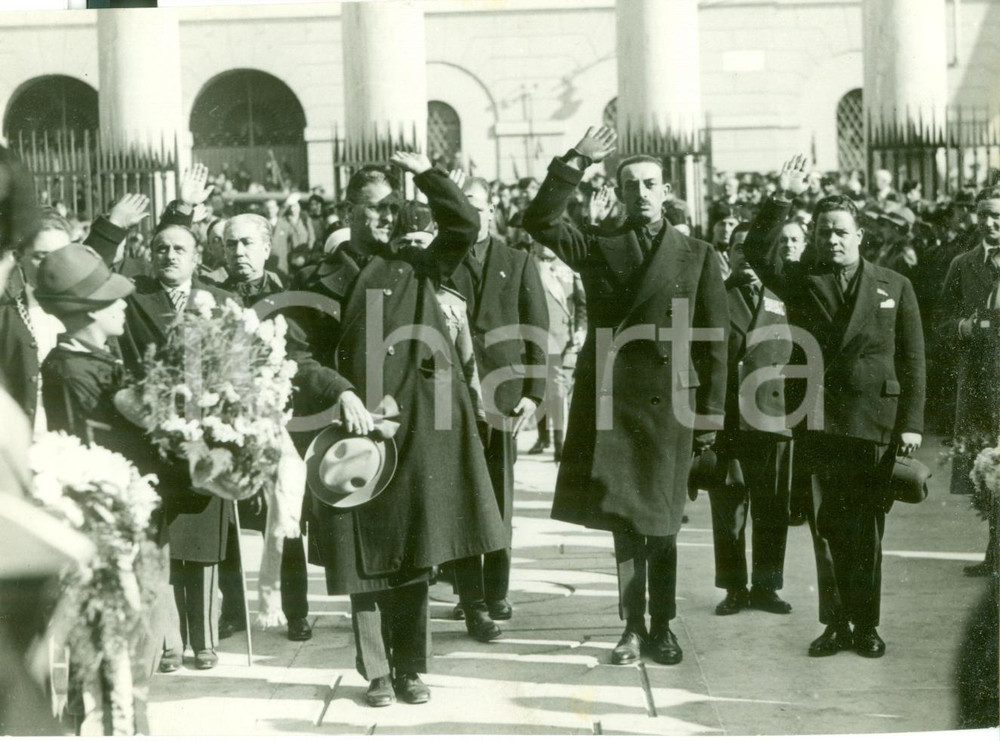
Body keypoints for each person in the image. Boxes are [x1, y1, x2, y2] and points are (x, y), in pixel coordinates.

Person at [292, 153, 507, 707]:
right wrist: (339, 391)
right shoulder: (320, 278)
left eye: (394, 207)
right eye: (374, 208)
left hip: (412, 428)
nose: (387, 218)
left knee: (414, 551)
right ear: (350, 211)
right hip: (349, 432)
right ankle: (377, 671)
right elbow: (297, 354)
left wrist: (428, 174)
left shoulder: (418, 265)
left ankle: (411, 666)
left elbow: (464, 223)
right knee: (361, 559)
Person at [523, 126, 728, 667]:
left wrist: (710, 415)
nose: (641, 192)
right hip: (614, 399)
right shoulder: (597, 247)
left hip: (671, 407)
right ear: (617, 190)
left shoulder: (697, 254)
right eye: (630, 184)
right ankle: (632, 627)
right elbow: (539, 221)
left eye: (650, 184)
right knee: (622, 522)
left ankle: (662, 625)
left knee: (661, 523)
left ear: (666, 191)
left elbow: (714, 340)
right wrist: (575, 162)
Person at [743, 154, 925, 659]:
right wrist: (782, 196)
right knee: (826, 529)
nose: (833, 240)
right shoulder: (803, 280)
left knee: (866, 529)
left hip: (876, 425)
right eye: (825, 232)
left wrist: (910, 425)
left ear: (860, 234)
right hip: (820, 424)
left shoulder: (894, 285)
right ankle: (834, 623)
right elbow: (757, 250)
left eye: (842, 231)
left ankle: (865, 625)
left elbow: (914, 362)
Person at [34, 243, 182, 731]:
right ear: (88, 312)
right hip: (106, 538)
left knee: (127, 655)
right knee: (107, 659)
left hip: (131, 525)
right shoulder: (72, 371)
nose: (124, 306)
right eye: (112, 299)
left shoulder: (96, 360)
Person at [115, 222, 238, 671]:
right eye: (161, 248)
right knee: (158, 539)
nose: (169, 255)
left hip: (207, 439)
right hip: (151, 437)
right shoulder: (131, 300)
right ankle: (167, 641)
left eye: (179, 248)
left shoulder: (224, 301)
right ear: (151, 254)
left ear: (197, 255)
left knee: (203, 541)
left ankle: (204, 640)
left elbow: (240, 367)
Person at [445, 175, 548, 640]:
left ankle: (497, 589)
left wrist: (534, 390)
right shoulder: (442, 259)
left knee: (500, 494)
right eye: (464, 206)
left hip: (505, 393)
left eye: (480, 207)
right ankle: (469, 596)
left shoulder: (518, 260)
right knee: (464, 496)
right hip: (454, 396)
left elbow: (536, 327)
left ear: (493, 212)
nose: (473, 214)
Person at [209, 212, 314, 643]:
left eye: (248, 244)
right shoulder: (212, 296)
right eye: (231, 244)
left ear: (267, 247)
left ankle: (296, 610)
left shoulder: (290, 294)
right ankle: (233, 609)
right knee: (228, 516)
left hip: (277, 418)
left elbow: (304, 355)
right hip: (227, 419)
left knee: (284, 512)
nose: (239, 253)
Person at [708, 223, 793, 616]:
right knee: (729, 509)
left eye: (753, 248)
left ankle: (766, 586)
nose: (747, 255)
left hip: (774, 417)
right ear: (728, 253)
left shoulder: (783, 296)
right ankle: (733, 587)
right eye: (738, 248)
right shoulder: (712, 298)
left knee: (772, 505)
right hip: (728, 418)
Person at [937, 186, 1000, 577]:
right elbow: (941, 318)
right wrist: (963, 326)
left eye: (997, 217)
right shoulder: (962, 264)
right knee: (988, 466)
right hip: (979, 382)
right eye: (983, 216)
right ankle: (994, 551)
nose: (990, 224)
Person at [528, 243, 586, 461]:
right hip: (534, 337)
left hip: (563, 339)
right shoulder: (527, 263)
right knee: (537, 388)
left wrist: (580, 331)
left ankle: (560, 444)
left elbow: (581, 304)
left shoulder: (570, 266)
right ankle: (543, 437)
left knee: (558, 390)